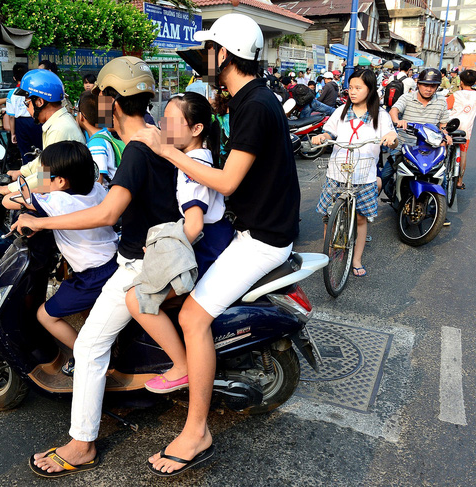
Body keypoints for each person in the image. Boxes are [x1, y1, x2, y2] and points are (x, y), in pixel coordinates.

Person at [133, 13, 300, 476]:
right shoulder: (250, 100)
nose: (204, 59)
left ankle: (197, 430)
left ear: (223, 54)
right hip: (259, 226)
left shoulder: (254, 106)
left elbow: (225, 182)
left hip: (263, 239)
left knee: (191, 316)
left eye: (208, 51)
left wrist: (168, 150)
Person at [15, 56, 180, 478]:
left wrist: (41, 220)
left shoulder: (137, 149)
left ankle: (82, 444)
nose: (96, 104)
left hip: (138, 263)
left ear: (110, 100)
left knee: (88, 348)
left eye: (98, 97)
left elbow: (107, 213)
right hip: (157, 250)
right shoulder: (156, 136)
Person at [125, 92, 234, 395]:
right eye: (162, 119)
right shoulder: (200, 156)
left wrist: (163, 252)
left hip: (205, 245)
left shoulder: (190, 168)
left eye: (172, 122)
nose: (163, 127)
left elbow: (194, 223)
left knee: (136, 299)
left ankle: (182, 366)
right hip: (217, 238)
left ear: (196, 129)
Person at [1, 141, 119, 375]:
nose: (41, 178)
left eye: (45, 174)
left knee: (45, 315)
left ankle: (86, 355)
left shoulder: (57, 202)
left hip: (91, 276)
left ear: (62, 181)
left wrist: (0, 191)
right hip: (113, 261)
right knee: (90, 312)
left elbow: (9, 201)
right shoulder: (97, 189)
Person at [311, 69, 398, 277]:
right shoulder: (341, 111)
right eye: (350, 87)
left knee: (360, 219)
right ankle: (329, 253)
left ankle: (356, 259)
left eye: (358, 88)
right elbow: (329, 131)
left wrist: (391, 137)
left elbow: (391, 136)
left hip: (364, 175)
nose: (352, 92)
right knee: (329, 215)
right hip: (337, 172)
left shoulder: (381, 115)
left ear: (370, 89)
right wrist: (322, 136)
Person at [0, 69, 84, 198]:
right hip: (58, 191)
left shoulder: (59, 129)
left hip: (65, 197)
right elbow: (44, 160)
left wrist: (8, 189)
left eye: (27, 103)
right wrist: (21, 172)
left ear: (39, 102)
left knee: (10, 201)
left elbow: (46, 175)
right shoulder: (56, 123)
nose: (27, 108)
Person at [388, 67, 452, 224]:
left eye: (432, 86)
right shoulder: (407, 98)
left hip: (430, 148)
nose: (429, 89)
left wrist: (446, 134)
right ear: (418, 84)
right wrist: (397, 121)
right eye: (425, 85)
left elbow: (443, 124)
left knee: (440, 178)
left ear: (437, 87)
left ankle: (436, 210)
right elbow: (394, 110)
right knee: (386, 175)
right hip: (404, 144)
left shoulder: (441, 101)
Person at [446, 69, 476, 190]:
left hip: (451, 127)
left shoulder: (456, 94)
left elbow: (445, 107)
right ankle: (459, 181)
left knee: (444, 148)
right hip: (465, 131)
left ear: (461, 82)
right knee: (463, 153)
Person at [76, 90, 124, 187]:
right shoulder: (106, 134)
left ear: (81, 116)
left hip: (106, 196)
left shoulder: (96, 145)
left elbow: (98, 181)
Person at [6, 63, 43, 165]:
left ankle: (28, 180)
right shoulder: (33, 90)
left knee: (26, 154)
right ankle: (42, 180)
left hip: (20, 124)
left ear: (14, 78)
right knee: (41, 152)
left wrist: (13, 133)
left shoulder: (11, 94)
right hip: (35, 121)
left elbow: (11, 116)